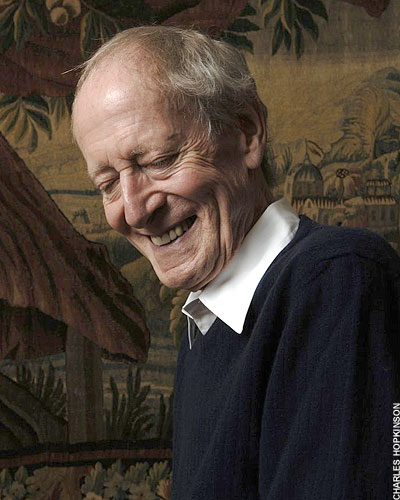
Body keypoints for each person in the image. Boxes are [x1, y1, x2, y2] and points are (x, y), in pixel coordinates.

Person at [72, 26, 400, 499]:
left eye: (159, 160)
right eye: (107, 184)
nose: (134, 210)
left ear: (247, 133)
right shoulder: (206, 322)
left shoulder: (339, 280)